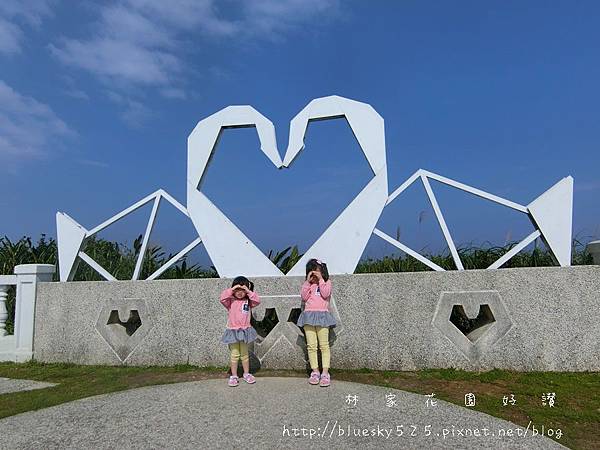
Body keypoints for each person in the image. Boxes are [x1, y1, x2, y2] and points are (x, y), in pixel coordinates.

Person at [297, 258, 336, 387]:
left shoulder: (327, 282)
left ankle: (325, 372)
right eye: (311, 271)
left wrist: (320, 280)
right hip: (308, 317)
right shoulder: (308, 285)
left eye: (317, 271)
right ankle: (315, 372)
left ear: (323, 271)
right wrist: (307, 282)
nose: (314, 273)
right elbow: (304, 297)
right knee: (311, 346)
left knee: (324, 346)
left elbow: (325, 294)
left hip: (322, 317)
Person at [220, 276, 260, 387]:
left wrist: (248, 291)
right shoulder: (230, 301)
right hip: (233, 331)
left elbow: (257, 301)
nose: (240, 292)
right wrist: (232, 289)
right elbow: (222, 298)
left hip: (245, 331)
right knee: (234, 354)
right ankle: (234, 375)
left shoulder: (248, 301)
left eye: (242, 290)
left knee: (244, 354)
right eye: (237, 290)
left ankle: (246, 373)